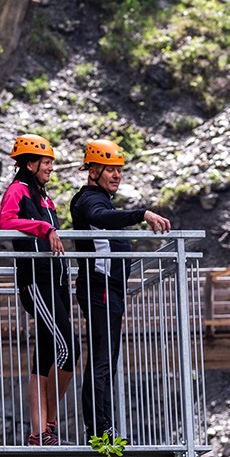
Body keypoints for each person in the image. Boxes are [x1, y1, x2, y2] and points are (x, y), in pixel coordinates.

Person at [69, 139, 171, 441]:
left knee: (107, 361)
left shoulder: (101, 199)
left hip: (109, 290)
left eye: (119, 170)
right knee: (102, 360)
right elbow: (100, 218)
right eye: (110, 169)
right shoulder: (89, 199)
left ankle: (104, 428)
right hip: (99, 287)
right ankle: (99, 431)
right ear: (93, 170)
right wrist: (141, 214)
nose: (116, 175)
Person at [0, 134, 74, 445]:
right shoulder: (18, 190)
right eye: (46, 163)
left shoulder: (44, 197)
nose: (50, 168)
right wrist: (44, 228)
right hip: (36, 280)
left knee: (44, 356)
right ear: (29, 164)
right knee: (69, 348)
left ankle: (39, 432)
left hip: (55, 279)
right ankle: (50, 422)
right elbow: (6, 222)